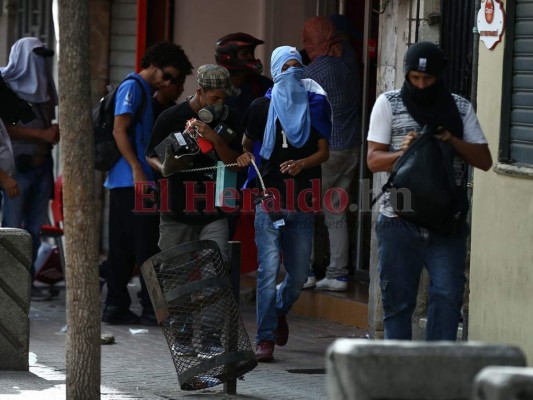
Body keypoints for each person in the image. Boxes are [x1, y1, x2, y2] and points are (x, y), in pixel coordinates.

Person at [366, 41, 492, 340]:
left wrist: (451, 139)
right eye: (415, 78)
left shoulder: (459, 107)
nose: (421, 85)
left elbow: (484, 160)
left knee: (448, 298)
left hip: (447, 222)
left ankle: (437, 371)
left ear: (440, 76)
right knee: (398, 304)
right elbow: (373, 161)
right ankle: (400, 378)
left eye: (428, 79)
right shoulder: (389, 103)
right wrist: (404, 152)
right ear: (407, 75)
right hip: (399, 219)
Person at [236, 46, 331, 361]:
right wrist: (248, 156)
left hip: (302, 199)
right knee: (267, 270)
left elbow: (323, 152)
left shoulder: (314, 104)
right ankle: (264, 339)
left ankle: (278, 311)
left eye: (297, 66)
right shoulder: (260, 107)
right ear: (276, 70)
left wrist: (302, 164)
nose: (293, 71)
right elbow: (247, 144)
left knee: (299, 274)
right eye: (287, 66)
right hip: (269, 197)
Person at [146, 64, 242, 355]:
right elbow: (150, 155)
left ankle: (211, 335)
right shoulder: (171, 117)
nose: (220, 103)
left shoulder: (229, 119)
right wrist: (166, 167)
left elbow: (234, 161)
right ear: (199, 92)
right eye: (214, 98)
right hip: (177, 210)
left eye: (223, 98)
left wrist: (214, 139)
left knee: (216, 268)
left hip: (214, 210)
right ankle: (183, 336)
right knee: (175, 273)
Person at [102, 41, 192, 325]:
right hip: (133, 182)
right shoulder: (134, 87)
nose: (169, 83)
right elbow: (120, 130)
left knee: (124, 246)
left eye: (175, 80)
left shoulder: (143, 90)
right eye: (168, 76)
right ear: (154, 65)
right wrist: (137, 170)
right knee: (146, 246)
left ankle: (116, 306)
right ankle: (152, 308)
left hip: (126, 182)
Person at [302, 16, 362, 292]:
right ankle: (337, 273)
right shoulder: (349, 63)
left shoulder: (312, 73)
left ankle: (307, 271)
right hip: (351, 146)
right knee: (335, 210)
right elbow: (345, 43)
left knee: (305, 208)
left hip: (325, 150)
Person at [0, 37, 59, 301]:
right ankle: (7, 285)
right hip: (16, 169)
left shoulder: (46, 88)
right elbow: (5, 128)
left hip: (41, 165)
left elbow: (50, 123)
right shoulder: (7, 86)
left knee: (35, 229)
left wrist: (51, 135)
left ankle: (26, 282)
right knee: (12, 227)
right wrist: (41, 135)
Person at [215, 32, 273, 120]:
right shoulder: (216, 90)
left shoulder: (263, 85)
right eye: (245, 54)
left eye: (251, 53)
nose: (250, 57)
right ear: (229, 57)